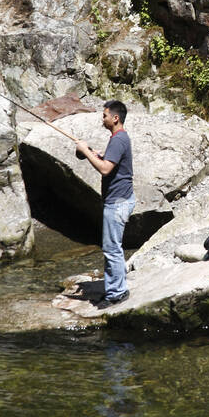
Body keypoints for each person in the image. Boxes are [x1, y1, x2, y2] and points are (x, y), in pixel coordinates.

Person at [75, 100, 135, 309]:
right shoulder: (118, 139)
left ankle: (118, 293)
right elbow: (111, 163)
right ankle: (113, 289)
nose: (103, 118)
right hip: (120, 200)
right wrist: (97, 154)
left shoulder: (119, 140)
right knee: (111, 248)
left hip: (117, 203)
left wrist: (86, 150)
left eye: (105, 115)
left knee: (112, 249)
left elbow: (105, 170)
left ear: (115, 118)